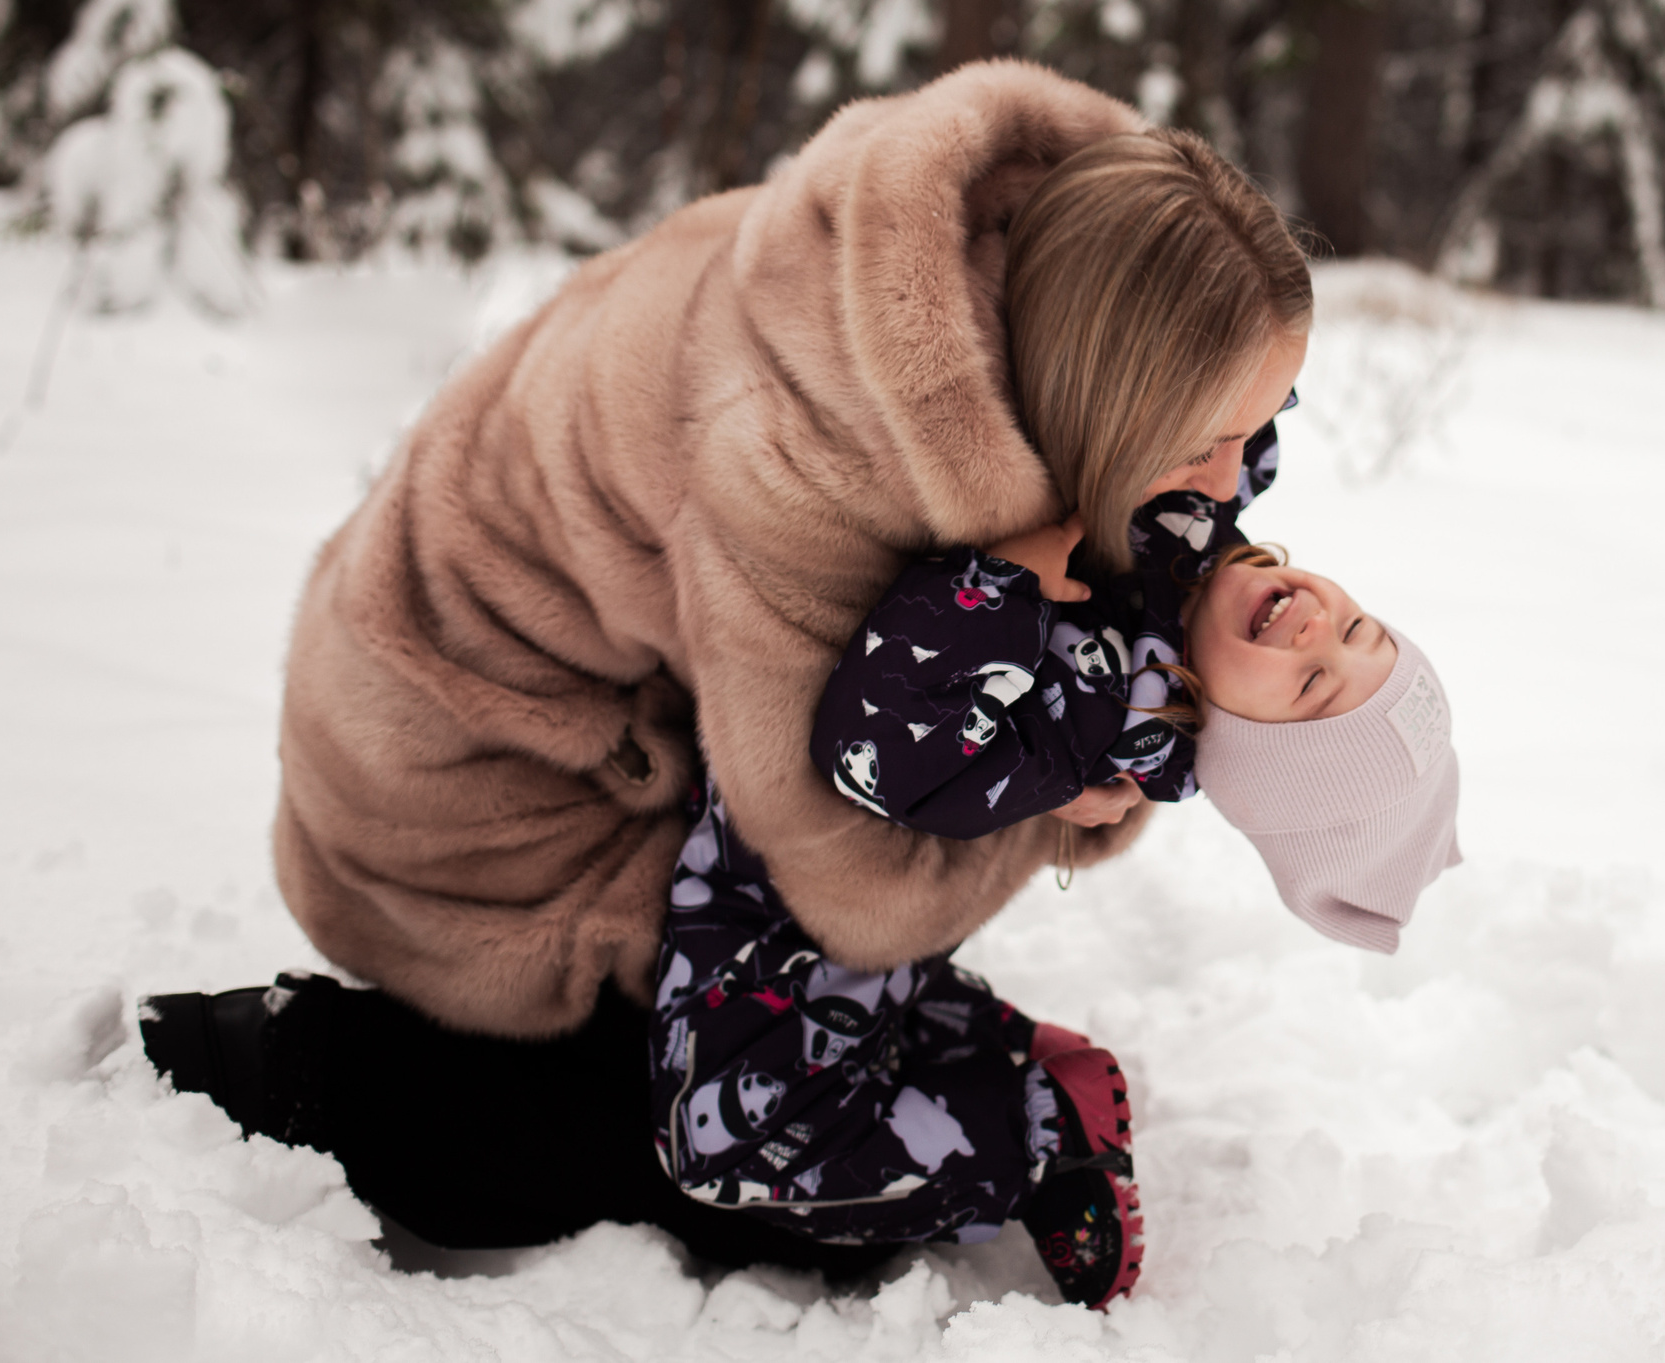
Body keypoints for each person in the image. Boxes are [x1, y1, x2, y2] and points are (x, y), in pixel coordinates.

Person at [139, 67, 1313, 1281]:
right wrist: (1057, 780)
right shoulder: (813, 454)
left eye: (1259, 426)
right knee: (704, 1158)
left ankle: (951, 1065)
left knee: (779, 1043)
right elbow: (848, 869)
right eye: (1204, 443)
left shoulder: (1050, 270)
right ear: (1102, 387)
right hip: (462, 783)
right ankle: (307, 1065)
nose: (1230, 485)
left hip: (615, 705)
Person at [648, 539, 1461, 1307]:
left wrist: (996, 580)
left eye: (1313, 682)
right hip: (783, 869)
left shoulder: (1091, 718)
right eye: (1359, 627)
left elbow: (876, 749)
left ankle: (1037, 1139)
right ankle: (982, 1038)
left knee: (720, 1148)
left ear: (1244, 744)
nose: (1321, 626)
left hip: (797, 905)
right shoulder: (1182, 559)